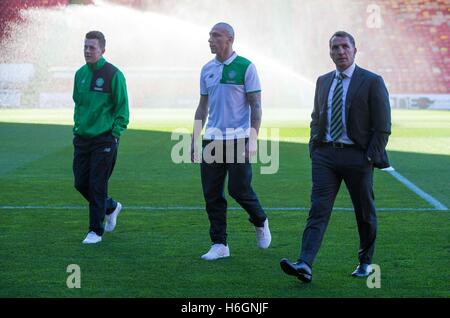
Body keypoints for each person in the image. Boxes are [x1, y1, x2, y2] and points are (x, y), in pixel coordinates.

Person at [280, 31, 391, 282]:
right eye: (335, 48)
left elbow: (383, 126)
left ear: (354, 50)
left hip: (357, 157)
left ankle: (365, 261)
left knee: (364, 212)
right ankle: (304, 264)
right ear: (329, 53)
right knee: (318, 209)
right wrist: (314, 147)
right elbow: (316, 117)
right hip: (326, 156)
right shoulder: (323, 80)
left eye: (344, 47)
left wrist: (369, 158)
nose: (340, 51)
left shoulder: (372, 81)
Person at [190, 22, 271, 260]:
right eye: (210, 35)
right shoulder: (206, 69)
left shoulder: (246, 67)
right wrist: (195, 138)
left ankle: (260, 220)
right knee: (212, 194)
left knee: (239, 189)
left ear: (230, 39)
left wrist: (253, 139)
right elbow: (202, 107)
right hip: (212, 140)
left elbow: (256, 105)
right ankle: (220, 244)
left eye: (216, 35)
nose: (210, 40)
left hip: (238, 139)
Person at [73, 31, 129, 244]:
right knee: (80, 183)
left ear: (102, 50)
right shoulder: (80, 74)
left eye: (92, 48)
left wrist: (115, 134)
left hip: (105, 139)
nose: (87, 51)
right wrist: (78, 128)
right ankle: (110, 206)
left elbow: (123, 108)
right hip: (82, 138)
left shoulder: (114, 74)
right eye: (85, 47)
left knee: (97, 184)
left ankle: (95, 231)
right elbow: (78, 104)